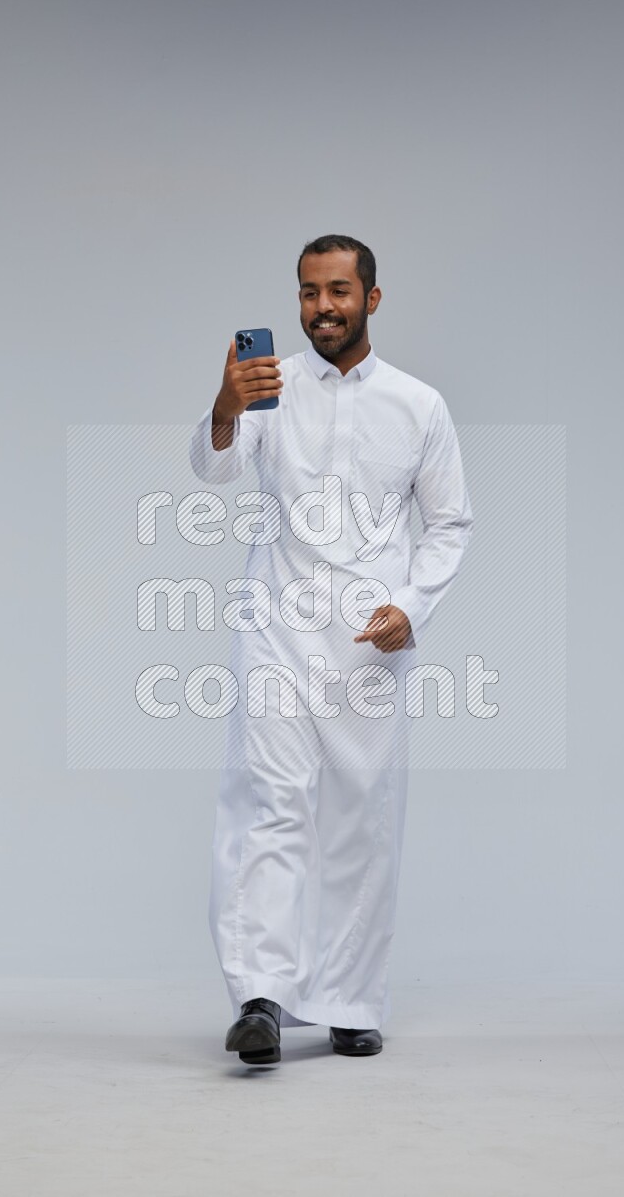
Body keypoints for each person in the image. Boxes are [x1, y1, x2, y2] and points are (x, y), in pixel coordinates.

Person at [188, 234, 474, 1065]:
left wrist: (410, 607)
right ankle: (260, 999)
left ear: (373, 299)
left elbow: (450, 522)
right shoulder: (268, 391)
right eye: (310, 292)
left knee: (362, 819)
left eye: (340, 291)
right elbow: (213, 469)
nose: (323, 307)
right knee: (268, 804)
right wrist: (225, 403)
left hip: (369, 648)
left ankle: (350, 999)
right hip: (276, 626)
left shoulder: (420, 406)